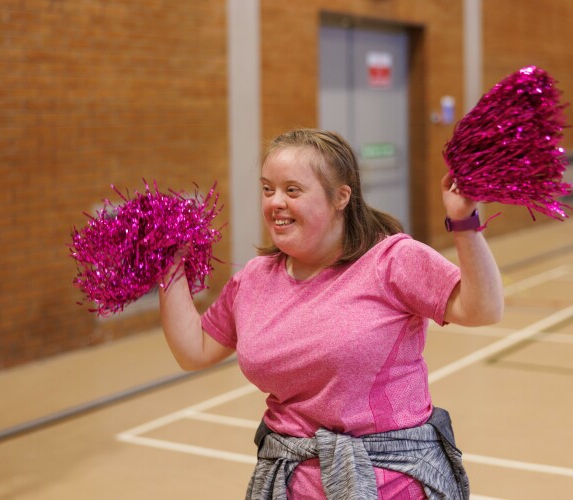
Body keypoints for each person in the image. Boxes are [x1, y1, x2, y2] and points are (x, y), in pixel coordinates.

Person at [159, 129, 504, 499]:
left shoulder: (392, 260)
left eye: (292, 190)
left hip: (392, 484)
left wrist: (464, 222)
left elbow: (482, 309)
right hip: (290, 485)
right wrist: (167, 261)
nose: (275, 202)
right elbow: (194, 350)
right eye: (267, 189)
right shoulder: (255, 278)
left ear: (341, 197)